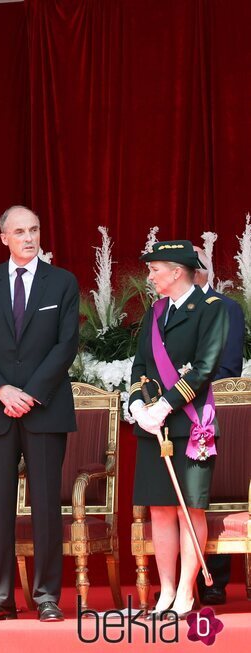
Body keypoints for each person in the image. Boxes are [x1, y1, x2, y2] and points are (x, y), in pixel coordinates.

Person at [0, 205, 80, 623]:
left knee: (47, 506)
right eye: (19, 231)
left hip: (44, 409)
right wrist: (2, 389)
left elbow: (66, 346)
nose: (29, 238)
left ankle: (47, 596)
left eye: (34, 230)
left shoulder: (62, 282)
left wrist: (29, 393)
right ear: (3, 238)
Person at [128, 241, 228, 618]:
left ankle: (186, 591)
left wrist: (166, 405)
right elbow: (139, 366)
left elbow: (204, 367)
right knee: (161, 510)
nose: (150, 276)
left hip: (191, 424)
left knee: (190, 509)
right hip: (154, 427)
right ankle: (166, 591)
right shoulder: (155, 313)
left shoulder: (211, 309)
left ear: (176, 271)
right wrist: (138, 404)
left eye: (155, 269)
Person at [192, 246, 244, 605]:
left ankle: (214, 581)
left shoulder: (227, 309)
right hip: (174, 413)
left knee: (213, 492)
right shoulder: (163, 311)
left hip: (210, 409)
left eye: (198, 262)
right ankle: (182, 581)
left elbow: (229, 366)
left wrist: (190, 391)